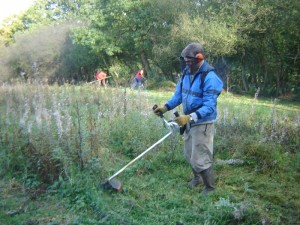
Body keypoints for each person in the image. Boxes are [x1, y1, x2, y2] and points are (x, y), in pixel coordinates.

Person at [153, 42, 223, 195]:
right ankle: (197, 179)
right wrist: (165, 107)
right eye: (185, 61)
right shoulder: (186, 73)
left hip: (203, 122)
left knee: (201, 156)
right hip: (189, 120)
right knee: (189, 153)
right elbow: (179, 95)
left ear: (199, 59)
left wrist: (190, 117)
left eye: (190, 61)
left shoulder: (210, 77)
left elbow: (209, 106)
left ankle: (210, 187)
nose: (187, 64)